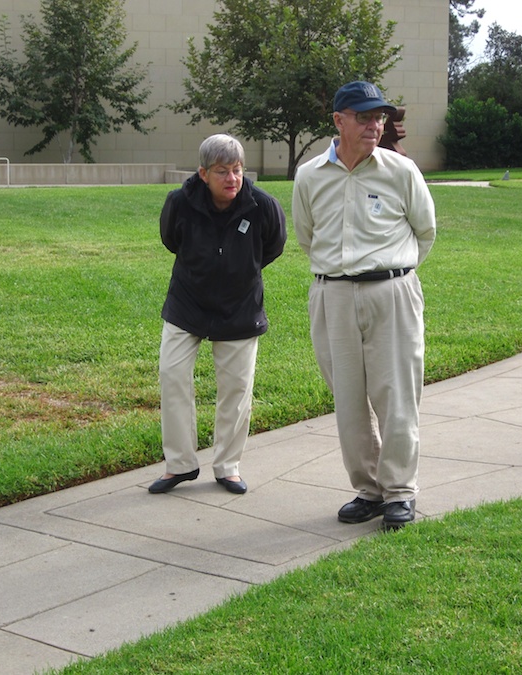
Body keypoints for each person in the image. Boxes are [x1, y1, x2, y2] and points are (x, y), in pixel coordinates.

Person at [291, 81, 436, 530]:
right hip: (331, 294)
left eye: (381, 117)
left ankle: (399, 492)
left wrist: (391, 273)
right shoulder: (310, 175)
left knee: (396, 396)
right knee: (349, 400)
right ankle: (369, 489)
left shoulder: (401, 171)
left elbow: (425, 232)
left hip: (391, 292)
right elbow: (306, 236)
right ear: (339, 121)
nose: (377, 124)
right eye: (365, 116)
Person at [149, 134, 287, 496]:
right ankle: (179, 464)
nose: (232, 178)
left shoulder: (262, 205)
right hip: (187, 303)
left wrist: (239, 269)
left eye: (237, 170)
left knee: (236, 389)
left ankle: (227, 466)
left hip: (239, 306)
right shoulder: (180, 202)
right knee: (172, 374)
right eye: (222, 171)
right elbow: (171, 239)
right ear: (203, 173)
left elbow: (273, 245)